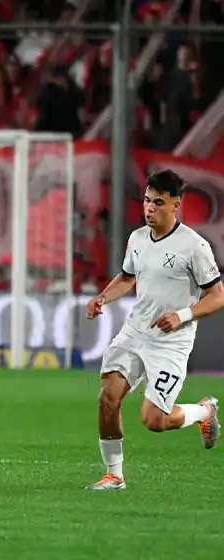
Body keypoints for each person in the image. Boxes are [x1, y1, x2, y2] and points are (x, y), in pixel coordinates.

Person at [85, 169, 222, 491]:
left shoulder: (194, 246)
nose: (149, 208)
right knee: (108, 397)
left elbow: (217, 296)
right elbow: (127, 277)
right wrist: (102, 298)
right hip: (135, 331)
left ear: (176, 205)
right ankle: (114, 476)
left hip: (170, 342)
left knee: (155, 421)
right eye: (146, 201)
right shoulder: (137, 239)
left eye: (158, 203)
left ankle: (203, 411)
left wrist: (183, 315)